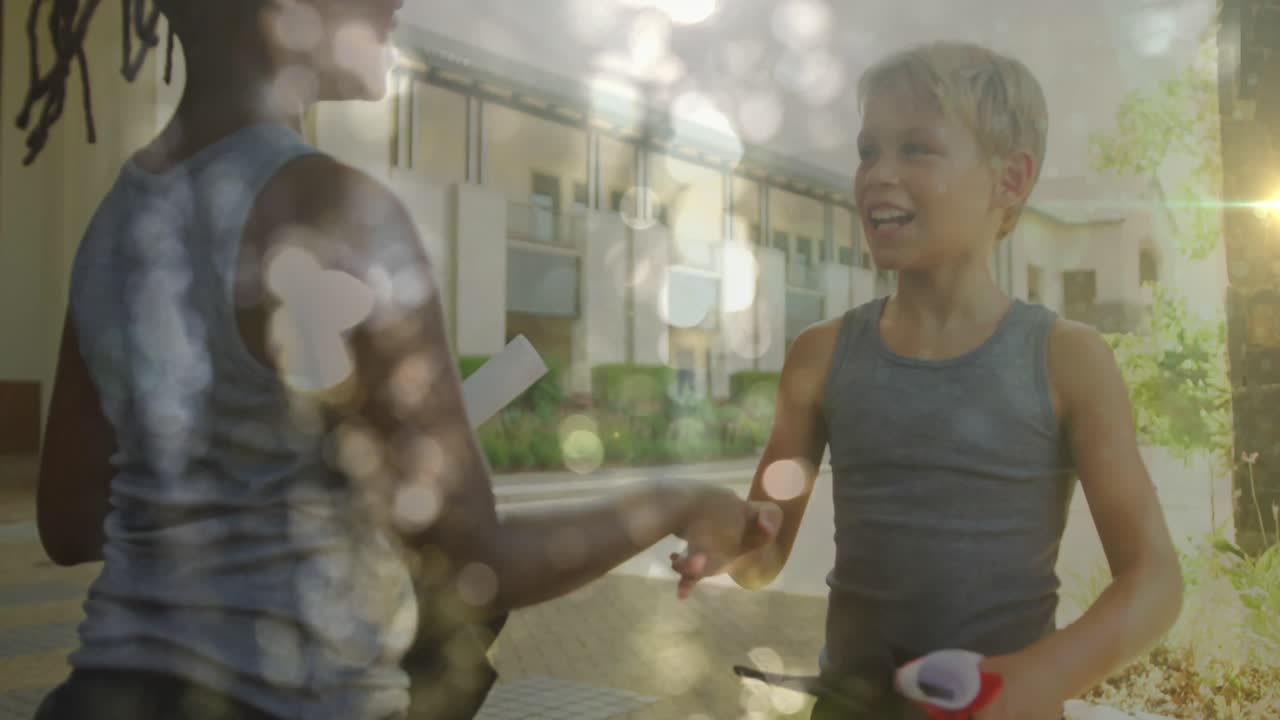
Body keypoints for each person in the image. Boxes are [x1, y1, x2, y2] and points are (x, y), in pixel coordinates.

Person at [25, 2, 781, 719]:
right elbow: (476, 562)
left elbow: (68, 523)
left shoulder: (119, 217)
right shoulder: (333, 212)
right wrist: (678, 501)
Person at [671, 42, 1185, 720]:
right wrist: (732, 540)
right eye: (867, 150)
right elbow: (761, 562)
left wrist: (1034, 679)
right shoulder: (821, 355)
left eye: (916, 148)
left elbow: (1155, 579)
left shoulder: (1067, 359)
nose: (878, 174)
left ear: (1010, 180)